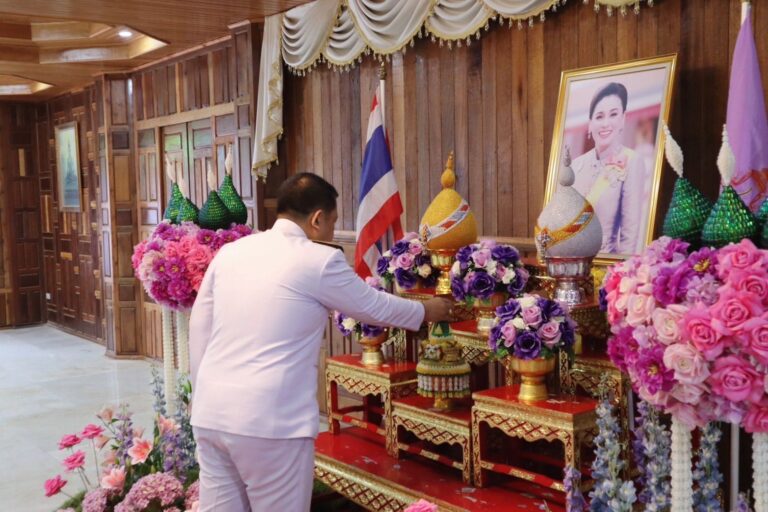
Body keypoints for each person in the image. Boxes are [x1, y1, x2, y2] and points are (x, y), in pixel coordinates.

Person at [188, 172, 454, 512]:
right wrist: (427, 310)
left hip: (211, 413)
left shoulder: (231, 252)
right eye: (332, 222)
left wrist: (201, 393)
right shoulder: (317, 259)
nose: (330, 231)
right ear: (316, 219)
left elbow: (200, 326)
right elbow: (372, 306)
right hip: (270, 422)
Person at [570, 82, 646, 254]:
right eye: (599, 117)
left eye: (613, 114)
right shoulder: (575, 165)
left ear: (622, 119)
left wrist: (622, 269)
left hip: (606, 263)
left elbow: (630, 236)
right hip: (574, 260)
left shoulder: (632, 161)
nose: (605, 123)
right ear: (590, 124)